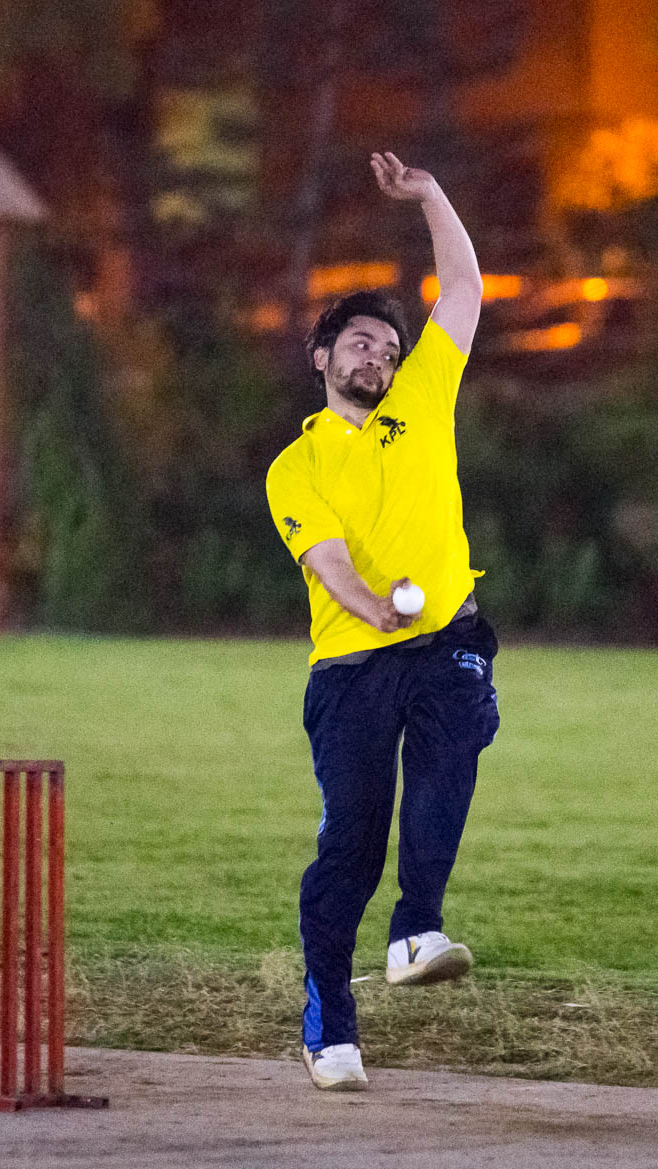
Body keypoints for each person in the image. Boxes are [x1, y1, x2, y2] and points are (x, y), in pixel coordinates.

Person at [265, 151, 500, 1092]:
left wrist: (432, 194)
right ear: (322, 358)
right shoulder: (297, 466)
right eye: (360, 343)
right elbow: (328, 563)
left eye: (388, 347)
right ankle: (329, 1024)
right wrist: (378, 607)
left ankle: (416, 932)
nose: (379, 356)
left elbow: (466, 292)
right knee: (352, 847)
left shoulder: (423, 400)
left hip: (447, 643)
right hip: (352, 667)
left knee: (454, 751)